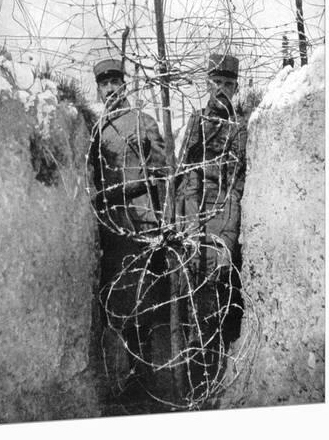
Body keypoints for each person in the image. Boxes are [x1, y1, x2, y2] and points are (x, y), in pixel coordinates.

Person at [89, 57, 167, 402]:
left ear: (124, 85)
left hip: (143, 225)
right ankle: (121, 379)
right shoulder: (96, 132)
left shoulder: (144, 121)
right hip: (112, 230)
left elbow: (161, 172)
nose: (109, 89)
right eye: (103, 84)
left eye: (114, 82)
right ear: (98, 89)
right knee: (117, 303)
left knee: (144, 303)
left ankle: (144, 380)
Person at [176, 53, 247, 377]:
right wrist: (190, 224)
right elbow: (186, 175)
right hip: (194, 210)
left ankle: (209, 368)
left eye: (228, 85)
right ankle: (192, 368)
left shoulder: (240, 128)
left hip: (222, 212)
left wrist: (228, 237)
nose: (221, 90)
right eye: (216, 83)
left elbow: (236, 186)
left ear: (235, 88)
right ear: (207, 84)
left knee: (216, 288)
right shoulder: (196, 122)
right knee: (190, 286)